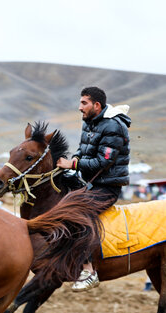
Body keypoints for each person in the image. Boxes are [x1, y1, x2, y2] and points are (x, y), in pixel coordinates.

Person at [56, 86, 131, 292]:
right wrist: (75, 161)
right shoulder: (90, 122)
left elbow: (103, 162)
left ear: (96, 105)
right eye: (80, 102)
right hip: (89, 183)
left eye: (84, 103)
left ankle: (89, 271)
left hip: (108, 187)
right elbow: (83, 151)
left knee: (78, 214)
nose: (80, 108)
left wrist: (72, 165)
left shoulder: (113, 126)